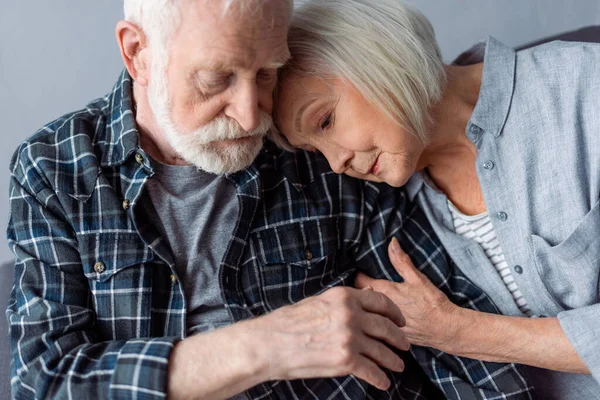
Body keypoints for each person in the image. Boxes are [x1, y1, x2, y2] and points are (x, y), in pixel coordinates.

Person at [5, 0, 536, 399]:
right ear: (137, 53)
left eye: (266, 73)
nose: (250, 113)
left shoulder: (311, 149)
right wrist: (266, 345)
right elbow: (44, 381)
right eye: (217, 78)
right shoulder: (57, 169)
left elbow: (449, 336)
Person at [273, 0, 600, 398]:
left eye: (325, 121)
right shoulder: (399, 215)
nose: (336, 162)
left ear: (376, 55)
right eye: (314, 150)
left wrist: (459, 332)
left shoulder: (585, 87)